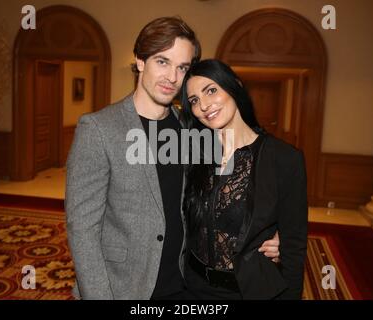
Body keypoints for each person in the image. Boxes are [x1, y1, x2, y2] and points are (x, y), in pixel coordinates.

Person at [65, 17, 279, 300]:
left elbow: (224, 195)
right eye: (162, 62)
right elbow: (82, 229)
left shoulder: (191, 127)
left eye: (182, 67)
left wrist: (270, 234)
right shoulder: (98, 129)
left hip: (184, 285)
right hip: (123, 288)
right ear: (140, 61)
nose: (172, 77)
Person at [180, 59, 308, 300]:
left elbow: (294, 247)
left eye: (211, 90)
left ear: (234, 86)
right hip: (193, 288)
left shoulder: (284, 159)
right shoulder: (191, 153)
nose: (204, 105)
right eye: (194, 100)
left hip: (249, 291)